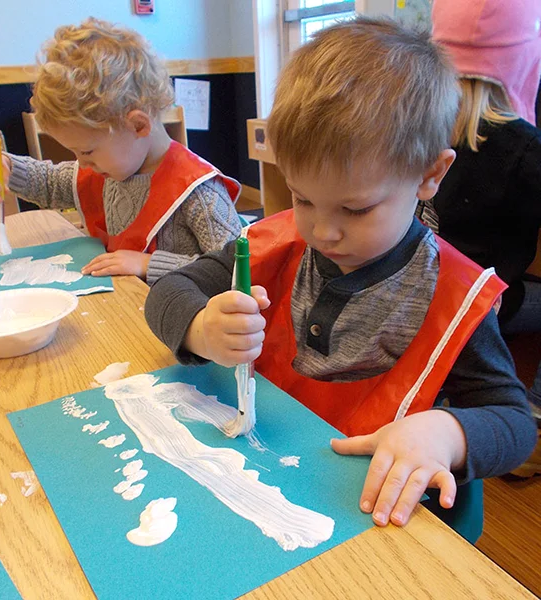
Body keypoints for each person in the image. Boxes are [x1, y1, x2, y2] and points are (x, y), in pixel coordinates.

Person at [145, 17, 537, 533]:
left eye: (354, 210)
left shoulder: (454, 296)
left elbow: (513, 423)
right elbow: (169, 290)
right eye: (304, 198)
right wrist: (200, 326)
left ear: (430, 176)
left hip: (390, 527)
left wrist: (446, 433)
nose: (322, 231)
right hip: (273, 490)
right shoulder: (274, 243)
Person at [0, 18, 241, 285]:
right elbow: (51, 182)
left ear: (137, 125)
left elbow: (236, 267)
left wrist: (148, 264)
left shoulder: (200, 194)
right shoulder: (108, 169)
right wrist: (8, 168)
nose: (82, 163)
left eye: (87, 151)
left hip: (184, 322)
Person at [418, 0, 541, 430]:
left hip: (416, 289)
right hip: (479, 303)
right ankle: (536, 415)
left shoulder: (418, 125)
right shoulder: (525, 147)